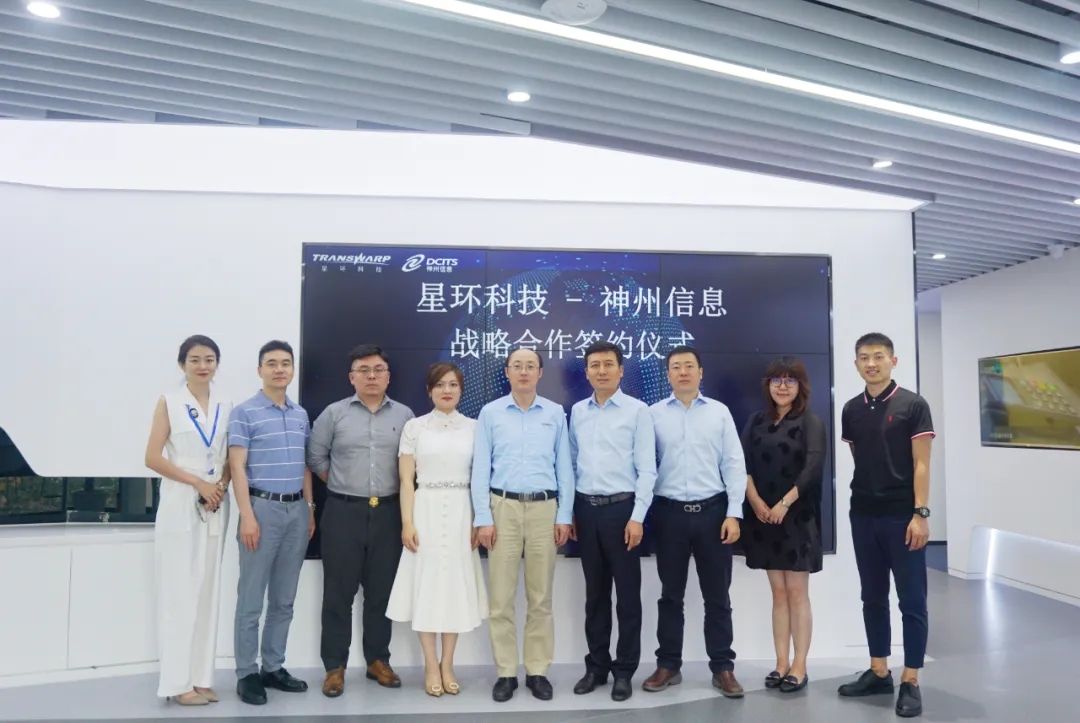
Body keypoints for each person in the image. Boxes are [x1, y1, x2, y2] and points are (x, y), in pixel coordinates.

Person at [307, 344, 414, 697]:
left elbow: (412, 465)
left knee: (381, 592)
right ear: (351, 377)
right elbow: (316, 457)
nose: (371, 376)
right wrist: (345, 484)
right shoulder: (334, 414)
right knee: (338, 593)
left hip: (389, 513)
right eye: (364, 370)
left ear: (388, 376)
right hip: (342, 512)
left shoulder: (405, 415)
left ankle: (377, 661)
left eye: (378, 370)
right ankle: (334, 667)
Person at [837, 332, 934, 719]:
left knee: (912, 601)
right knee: (872, 596)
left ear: (893, 361)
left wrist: (920, 513)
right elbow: (861, 456)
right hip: (863, 515)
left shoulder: (913, 404)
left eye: (878, 356)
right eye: (864, 357)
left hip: (903, 517)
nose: (871, 363)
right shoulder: (851, 409)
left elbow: (921, 463)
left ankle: (910, 679)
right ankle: (879, 671)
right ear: (856, 364)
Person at [472, 346, 574, 703]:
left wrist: (564, 515)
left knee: (540, 597)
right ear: (507, 372)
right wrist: (483, 518)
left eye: (531, 366)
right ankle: (505, 673)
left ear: (540, 373)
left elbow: (565, 467)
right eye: (517, 365)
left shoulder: (555, 412)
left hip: (545, 509)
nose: (524, 371)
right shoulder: (491, 413)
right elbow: (480, 468)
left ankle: (537, 671)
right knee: (500, 599)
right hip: (503, 509)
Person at [644, 345, 747, 698]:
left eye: (689, 366)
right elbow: (644, 464)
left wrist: (734, 513)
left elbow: (734, 464)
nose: (683, 372)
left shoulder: (719, 412)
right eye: (676, 367)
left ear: (701, 372)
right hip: (669, 513)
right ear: (668, 374)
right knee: (670, 596)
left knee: (717, 596)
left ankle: (723, 668)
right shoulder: (653, 414)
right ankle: (668, 664)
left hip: (714, 514)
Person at [386, 361, 489, 697]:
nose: (447, 390)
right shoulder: (414, 428)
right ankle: (430, 664)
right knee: (427, 588)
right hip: (425, 510)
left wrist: (478, 520)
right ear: (429, 390)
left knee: (454, 589)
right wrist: (407, 522)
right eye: (440, 385)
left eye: (453, 385)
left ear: (461, 390)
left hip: (462, 511)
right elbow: (406, 480)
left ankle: (448, 664)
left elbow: (481, 479)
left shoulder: (475, 428)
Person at [145, 335, 232, 705]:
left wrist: (219, 486)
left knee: (208, 591)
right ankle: (177, 683)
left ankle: (200, 677)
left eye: (209, 359)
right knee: (179, 593)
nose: (202, 366)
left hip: (215, 503)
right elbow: (152, 457)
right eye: (195, 359)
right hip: (181, 500)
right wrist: (198, 483)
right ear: (182, 364)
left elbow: (229, 457)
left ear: (217, 364)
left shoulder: (226, 403)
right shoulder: (169, 402)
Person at [228, 340, 315, 706]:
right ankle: (246, 673)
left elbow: (305, 465)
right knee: (251, 599)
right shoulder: (244, 413)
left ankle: (273, 667)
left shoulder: (300, 414)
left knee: (284, 598)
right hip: (261, 510)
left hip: (296, 511)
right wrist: (246, 515)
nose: (280, 369)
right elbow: (236, 467)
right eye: (272, 363)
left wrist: (310, 508)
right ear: (260, 370)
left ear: (292, 369)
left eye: (286, 363)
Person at [568, 341, 656, 702]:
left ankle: (624, 671)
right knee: (595, 596)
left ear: (621, 370)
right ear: (586, 372)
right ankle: (597, 668)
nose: (601, 370)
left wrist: (637, 517)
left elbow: (647, 470)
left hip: (623, 511)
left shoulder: (637, 411)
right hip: (586, 511)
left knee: (628, 598)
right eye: (594, 365)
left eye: (608, 364)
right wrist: (570, 512)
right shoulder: (577, 411)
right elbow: (571, 464)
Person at [740, 356, 827, 694]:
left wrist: (784, 504)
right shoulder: (756, 421)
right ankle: (780, 663)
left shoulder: (811, 422)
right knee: (778, 593)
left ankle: (799, 666)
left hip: (797, 518)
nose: (782, 386)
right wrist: (756, 502)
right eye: (776, 380)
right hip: (764, 517)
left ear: (800, 386)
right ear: (768, 385)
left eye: (790, 380)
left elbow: (813, 469)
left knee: (797, 593)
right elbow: (741, 464)